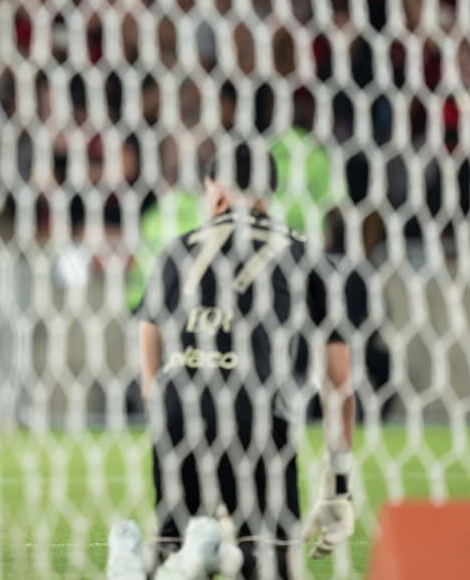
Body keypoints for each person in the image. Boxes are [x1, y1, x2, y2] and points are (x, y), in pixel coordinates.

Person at [108, 142, 355, 580]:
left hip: (179, 409)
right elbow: (339, 381)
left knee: (174, 545)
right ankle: (229, 557)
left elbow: (147, 329)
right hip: (256, 413)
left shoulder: (177, 249)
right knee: (274, 563)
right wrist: (339, 483)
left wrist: (156, 399)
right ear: (269, 196)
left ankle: (147, 556)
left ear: (216, 192)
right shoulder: (304, 254)